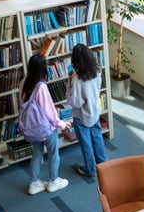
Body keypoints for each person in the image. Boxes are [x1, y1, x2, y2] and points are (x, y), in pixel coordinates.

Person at [19, 53, 71, 195]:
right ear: (42, 69)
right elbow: (49, 111)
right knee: (54, 153)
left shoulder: (24, 81)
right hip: (45, 129)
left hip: (31, 128)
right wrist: (61, 124)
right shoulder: (41, 87)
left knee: (37, 154)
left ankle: (34, 183)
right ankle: (53, 181)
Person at [67, 44, 107, 177]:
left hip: (81, 115)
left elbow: (75, 102)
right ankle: (103, 165)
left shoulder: (77, 78)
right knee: (97, 137)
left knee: (86, 143)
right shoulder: (97, 70)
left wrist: (68, 88)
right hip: (95, 110)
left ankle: (90, 169)